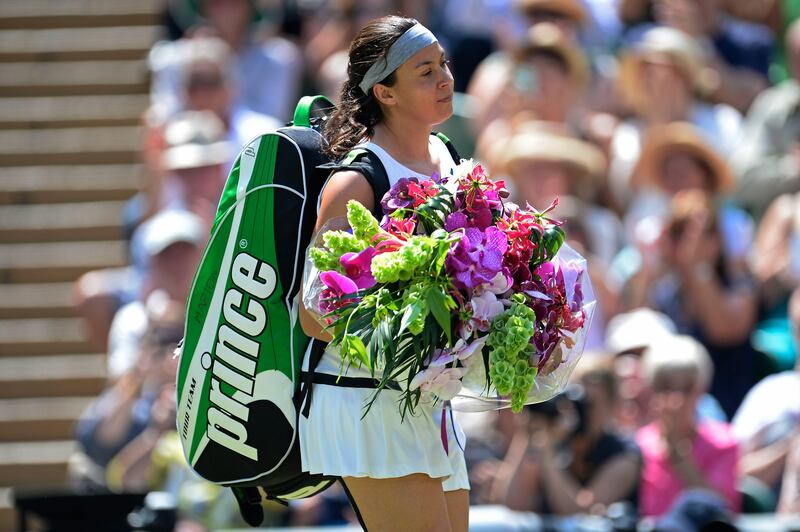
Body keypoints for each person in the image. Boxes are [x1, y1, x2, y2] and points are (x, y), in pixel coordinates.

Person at [297, 16, 469, 531]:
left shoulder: (448, 157)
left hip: (428, 400)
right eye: (424, 72)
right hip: (361, 400)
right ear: (385, 93)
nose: (445, 80)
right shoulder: (357, 179)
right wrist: (409, 334)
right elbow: (313, 311)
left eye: (443, 65)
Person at [490, 355, 641, 516]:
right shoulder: (559, 439)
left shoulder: (624, 455)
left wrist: (548, 455)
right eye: (576, 400)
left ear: (612, 405)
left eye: (589, 404)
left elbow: (580, 514)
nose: (582, 410)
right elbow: (510, 504)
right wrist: (527, 432)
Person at [636, 334, 740, 517]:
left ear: (701, 389)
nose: (676, 399)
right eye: (665, 385)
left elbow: (721, 510)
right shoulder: (637, 446)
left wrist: (679, 455)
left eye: (686, 387)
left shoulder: (724, 444)